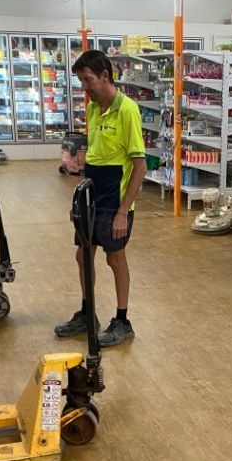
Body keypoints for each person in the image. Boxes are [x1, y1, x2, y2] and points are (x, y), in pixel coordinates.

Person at [54, 50, 146, 348]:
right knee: (83, 255)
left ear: (105, 76)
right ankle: (87, 312)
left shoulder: (127, 110)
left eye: (88, 80)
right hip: (91, 194)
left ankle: (122, 321)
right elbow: (93, 157)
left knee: (114, 258)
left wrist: (122, 212)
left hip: (114, 198)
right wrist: (78, 202)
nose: (85, 87)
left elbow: (139, 166)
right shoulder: (93, 108)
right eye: (81, 80)